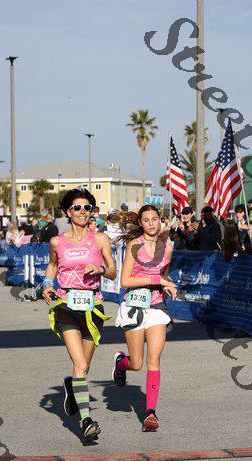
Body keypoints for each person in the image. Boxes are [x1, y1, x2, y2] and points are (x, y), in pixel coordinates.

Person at [42, 188, 116, 442]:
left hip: (93, 307)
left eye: (87, 207)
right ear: (68, 212)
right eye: (77, 207)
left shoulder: (101, 239)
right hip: (66, 306)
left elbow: (113, 272)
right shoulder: (57, 242)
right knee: (81, 364)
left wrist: (101, 269)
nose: (83, 212)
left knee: (83, 366)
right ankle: (86, 420)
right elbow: (52, 265)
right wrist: (46, 284)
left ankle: (71, 386)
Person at [111, 205, 177, 432]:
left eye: (155, 219)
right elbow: (125, 281)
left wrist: (168, 285)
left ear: (160, 220)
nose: (151, 223)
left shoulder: (167, 248)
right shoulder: (134, 245)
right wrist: (157, 281)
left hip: (157, 306)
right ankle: (121, 364)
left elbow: (164, 276)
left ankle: (150, 413)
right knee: (137, 363)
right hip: (135, 305)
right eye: (146, 220)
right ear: (140, 223)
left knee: (154, 359)